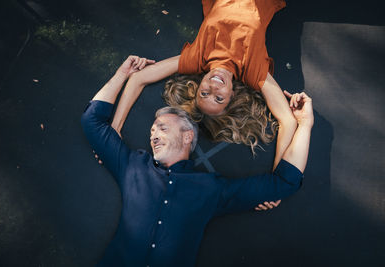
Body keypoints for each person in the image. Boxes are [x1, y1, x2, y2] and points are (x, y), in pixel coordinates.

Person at [81, 56, 314, 266]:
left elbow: (286, 181)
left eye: (161, 128)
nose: (153, 135)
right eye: (152, 131)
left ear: (187, 136)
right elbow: (92, 120)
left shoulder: (211, 189)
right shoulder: (132, 165)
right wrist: (122, 74)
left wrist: (305, 124)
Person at [111, 0, 296, 171]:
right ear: (232, 95)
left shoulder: (199, 59)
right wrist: (278, 177)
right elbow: (288, 121)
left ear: (199, 85)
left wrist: (114, 130)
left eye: (204, 93)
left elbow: (138, 78)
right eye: (219, 98)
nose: (213, 88)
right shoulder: (252, 70)